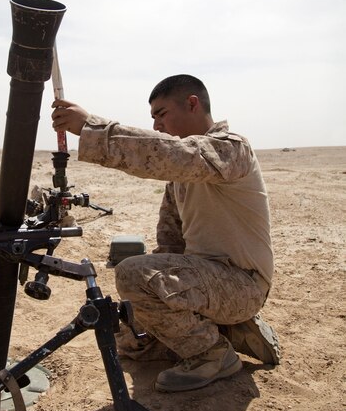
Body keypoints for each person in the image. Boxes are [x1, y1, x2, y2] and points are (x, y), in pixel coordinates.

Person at [51, 74, 279, 392]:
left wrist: (91, 127)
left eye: (161, 114)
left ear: (192, 104)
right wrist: (145, 305)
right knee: (129, 340)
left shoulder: (232, 150)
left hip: (242, 285)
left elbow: (168, 153)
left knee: (131, 274)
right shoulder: (181, 179)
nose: (158, 126)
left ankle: (214, 354)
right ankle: (227, 329)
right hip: (206, 282)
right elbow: (170, 243)